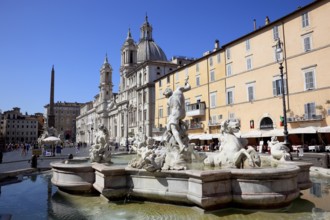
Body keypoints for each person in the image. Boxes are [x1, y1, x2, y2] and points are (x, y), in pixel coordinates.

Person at [163, 76, 191, 152]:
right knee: (174, 121)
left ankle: (181, 146)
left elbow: (172, 110)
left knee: (173, 128)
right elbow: (188, 87)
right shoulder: (178, 89)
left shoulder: (169, 101)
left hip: (175, 113)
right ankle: (183, 124)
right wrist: (186, 82)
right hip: (182, 113)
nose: (165, 97)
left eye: (165, 95)